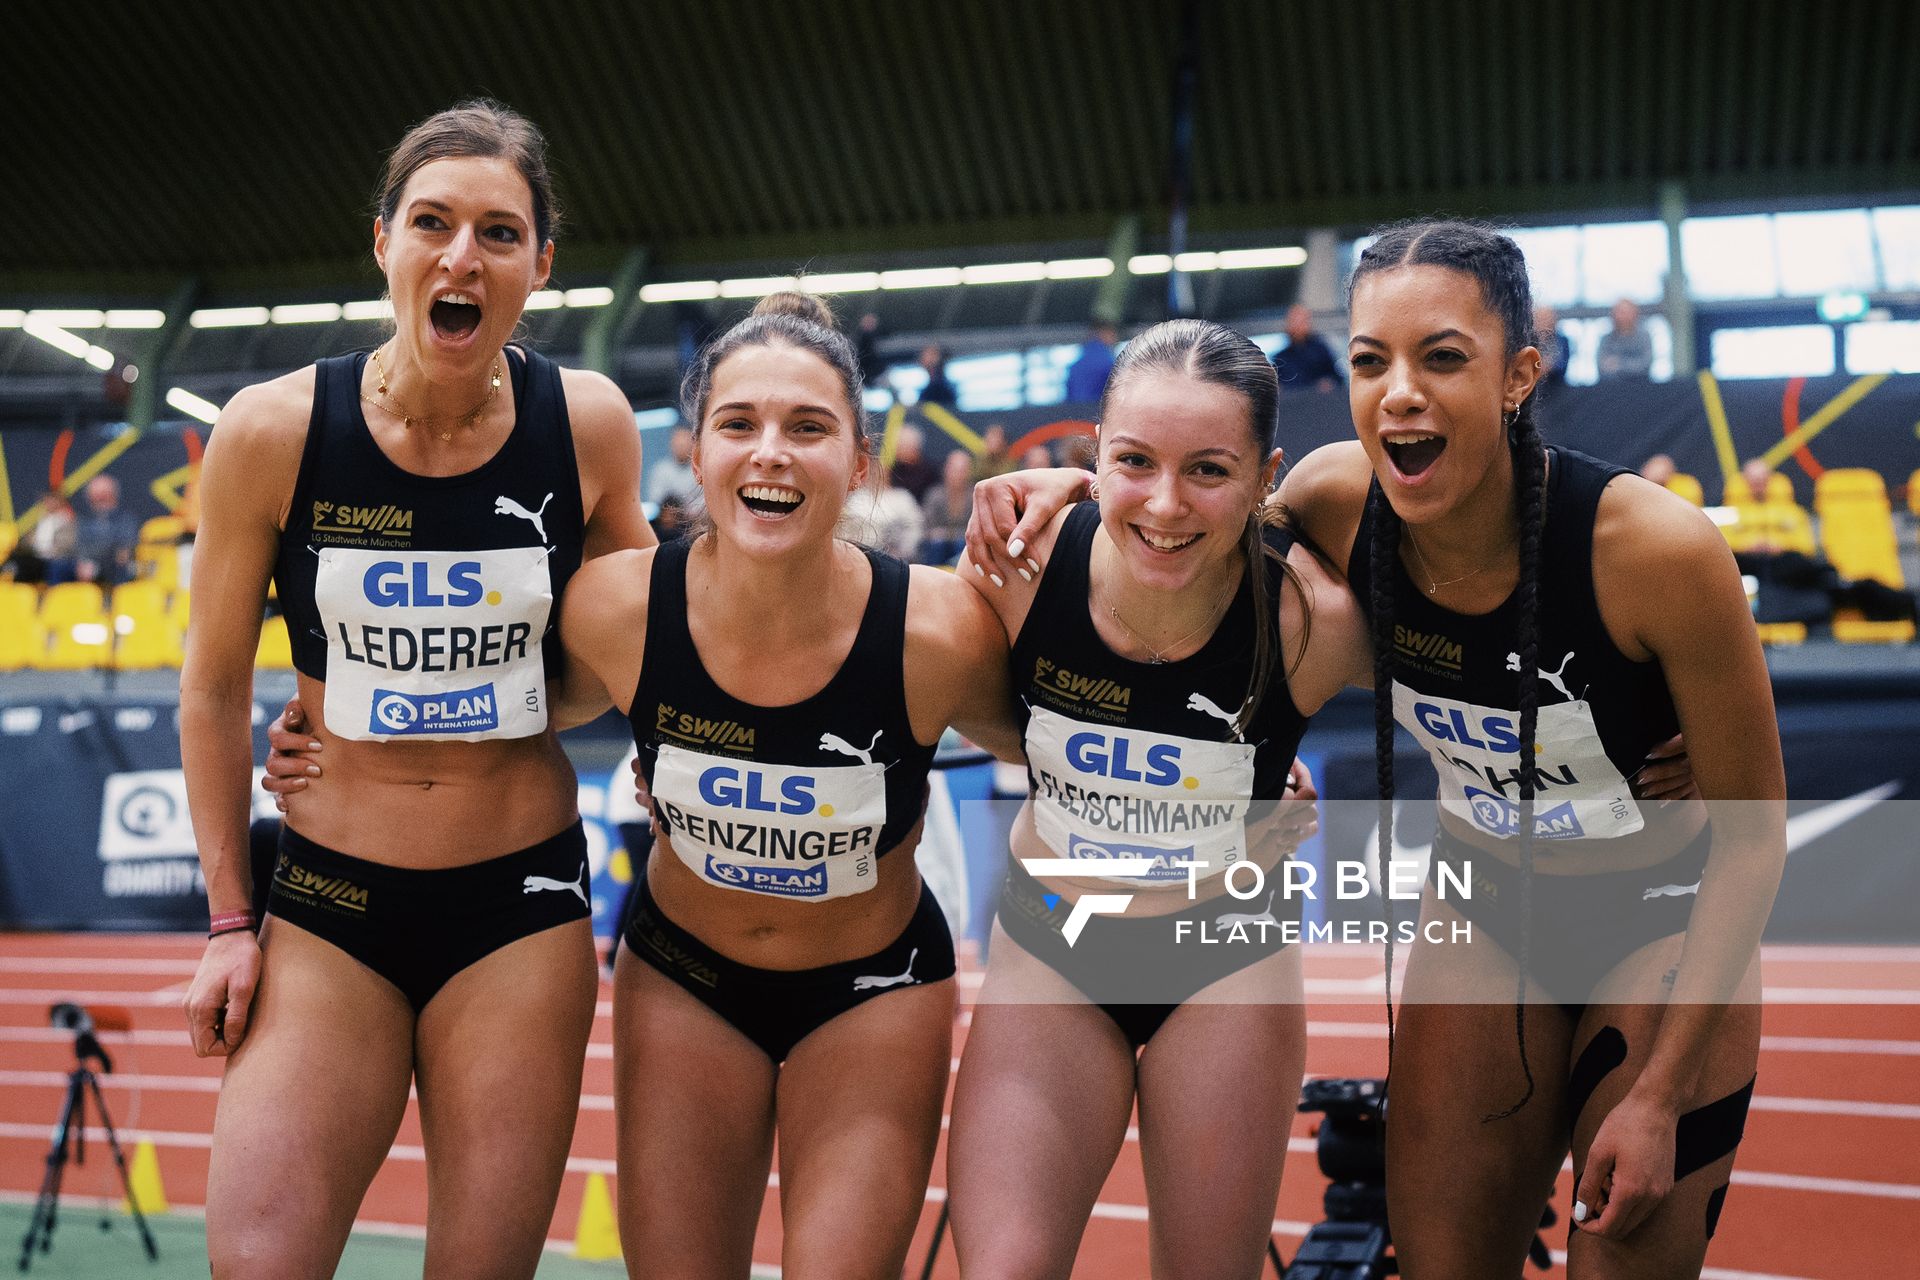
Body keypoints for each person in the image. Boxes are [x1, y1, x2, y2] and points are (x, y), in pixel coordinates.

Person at [964, 222, 1746, 1278]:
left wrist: (1658, 1096)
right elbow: (1188, 527)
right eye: (1372, 358)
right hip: (1486, 915)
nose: (1401, 391)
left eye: (1443, 356)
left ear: (1520, 373)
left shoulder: (1656, 548)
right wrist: (1077, 483)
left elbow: (1755, 839)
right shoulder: (1336, 499)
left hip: (1655, 917)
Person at [185, 100, 653, 1279]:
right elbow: (207, 689)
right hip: (329, 905)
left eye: (499, 232)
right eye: (433, 223)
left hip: (520, 906)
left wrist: (515, 701)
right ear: (382, 241)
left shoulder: (587, 424)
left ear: (541, 265)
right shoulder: (270, 431)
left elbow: (642, 648)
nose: (461, 256)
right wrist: (230, 921)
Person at [554, 292, 1015, 1277]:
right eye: (739, 423)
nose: (770, 451)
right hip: (685, 982)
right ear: (697, 450)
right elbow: (493, 712)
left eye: (808, 427)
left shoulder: (941, 631)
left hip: (873, 992)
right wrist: (311, 730)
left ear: (858, 462)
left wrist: (1253, 790)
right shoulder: (614, 609)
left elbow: (1071, 742)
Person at [945, 319, 1367, 1278]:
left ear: (1268, 477)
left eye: (1210, 471)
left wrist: (1656, 750)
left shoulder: (1312, 620)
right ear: (1092, 456)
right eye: (1135, 461)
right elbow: (907, 677)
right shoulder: (1020, 564)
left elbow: (1485, 683)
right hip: (1054, 955)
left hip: (1222, 970)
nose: (1166, 506)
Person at [72, 474, 141, 585]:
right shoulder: (84, 522)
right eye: (96, 494)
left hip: (118, 568)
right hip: (91, 567)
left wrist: (104, 553)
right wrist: (84, 562)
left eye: (104, 493)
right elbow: (81, 546)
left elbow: (126, 547)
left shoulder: (125, 519)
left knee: (123, 565)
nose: (100, 498)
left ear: (113, 494)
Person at [919, 447, 976, 565]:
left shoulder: (975, 495)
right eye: (955, 469)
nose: (958, 475)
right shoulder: (935, 495)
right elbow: (927, 524)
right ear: (946, 469)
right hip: (937, 542)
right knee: (937, 543)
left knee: (962, 544)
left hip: (964, 540)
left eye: (962, 470)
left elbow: (976, 526)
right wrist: (936, 533)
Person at [7, 490, 76, 584]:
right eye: (46, 501)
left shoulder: (66, 521)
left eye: (51, 501)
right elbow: (30, 540)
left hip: (52, 557)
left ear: (59, 502)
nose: (47, 504)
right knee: (16, 559)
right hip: (36, 556)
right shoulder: (43, 519)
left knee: (48, 566)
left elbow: (66, 545)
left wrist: (45, 551)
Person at [1271, 302, 1342, 392]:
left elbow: (1337, 379)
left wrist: (1329, 383)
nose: (1297, 326)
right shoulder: (1280, 358)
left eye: (1301, 321)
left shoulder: (1321, 351)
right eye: (1294, 321)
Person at [644, 424, 701, 512]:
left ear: (693, 443)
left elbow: (703, 502)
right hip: (666, 521)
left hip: (696, 520)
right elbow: (656, 499)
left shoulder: (700, 469)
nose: (681, 444)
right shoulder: (660, 469)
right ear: (671, 442)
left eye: (684, 440)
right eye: (677, 440)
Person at [1597, 298, 1655, 381]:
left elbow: (1645, 365)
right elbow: (1602, 366)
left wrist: (1619, 364)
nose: (1621, 316)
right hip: (1612, 388)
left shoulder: (1644, 338)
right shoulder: (1606, 340)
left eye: (1625, 312)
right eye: (1619, 312)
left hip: (1641, 387)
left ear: (1635, 314)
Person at [1064, 321, 1120, 402]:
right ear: (1104, 333)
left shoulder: (1075, 366)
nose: (1115, 339)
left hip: (1075, 412)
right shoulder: (1108, 362)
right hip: (1098, 411)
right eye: (1112, 334)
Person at [885, 424, 940, 499]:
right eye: (897, 447)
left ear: (914, 448)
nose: (897, 451)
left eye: (901, 447)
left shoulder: (931, 473)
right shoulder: (893, 471)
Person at [1534, 305, 1571, 389]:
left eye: (1547, 318)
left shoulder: (1561, 340)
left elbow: (1562, 364)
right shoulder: (1529, 340)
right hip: (1535, 388)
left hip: (1557, 387)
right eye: (1541, 318)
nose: (1545, 322)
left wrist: (1547, 367)